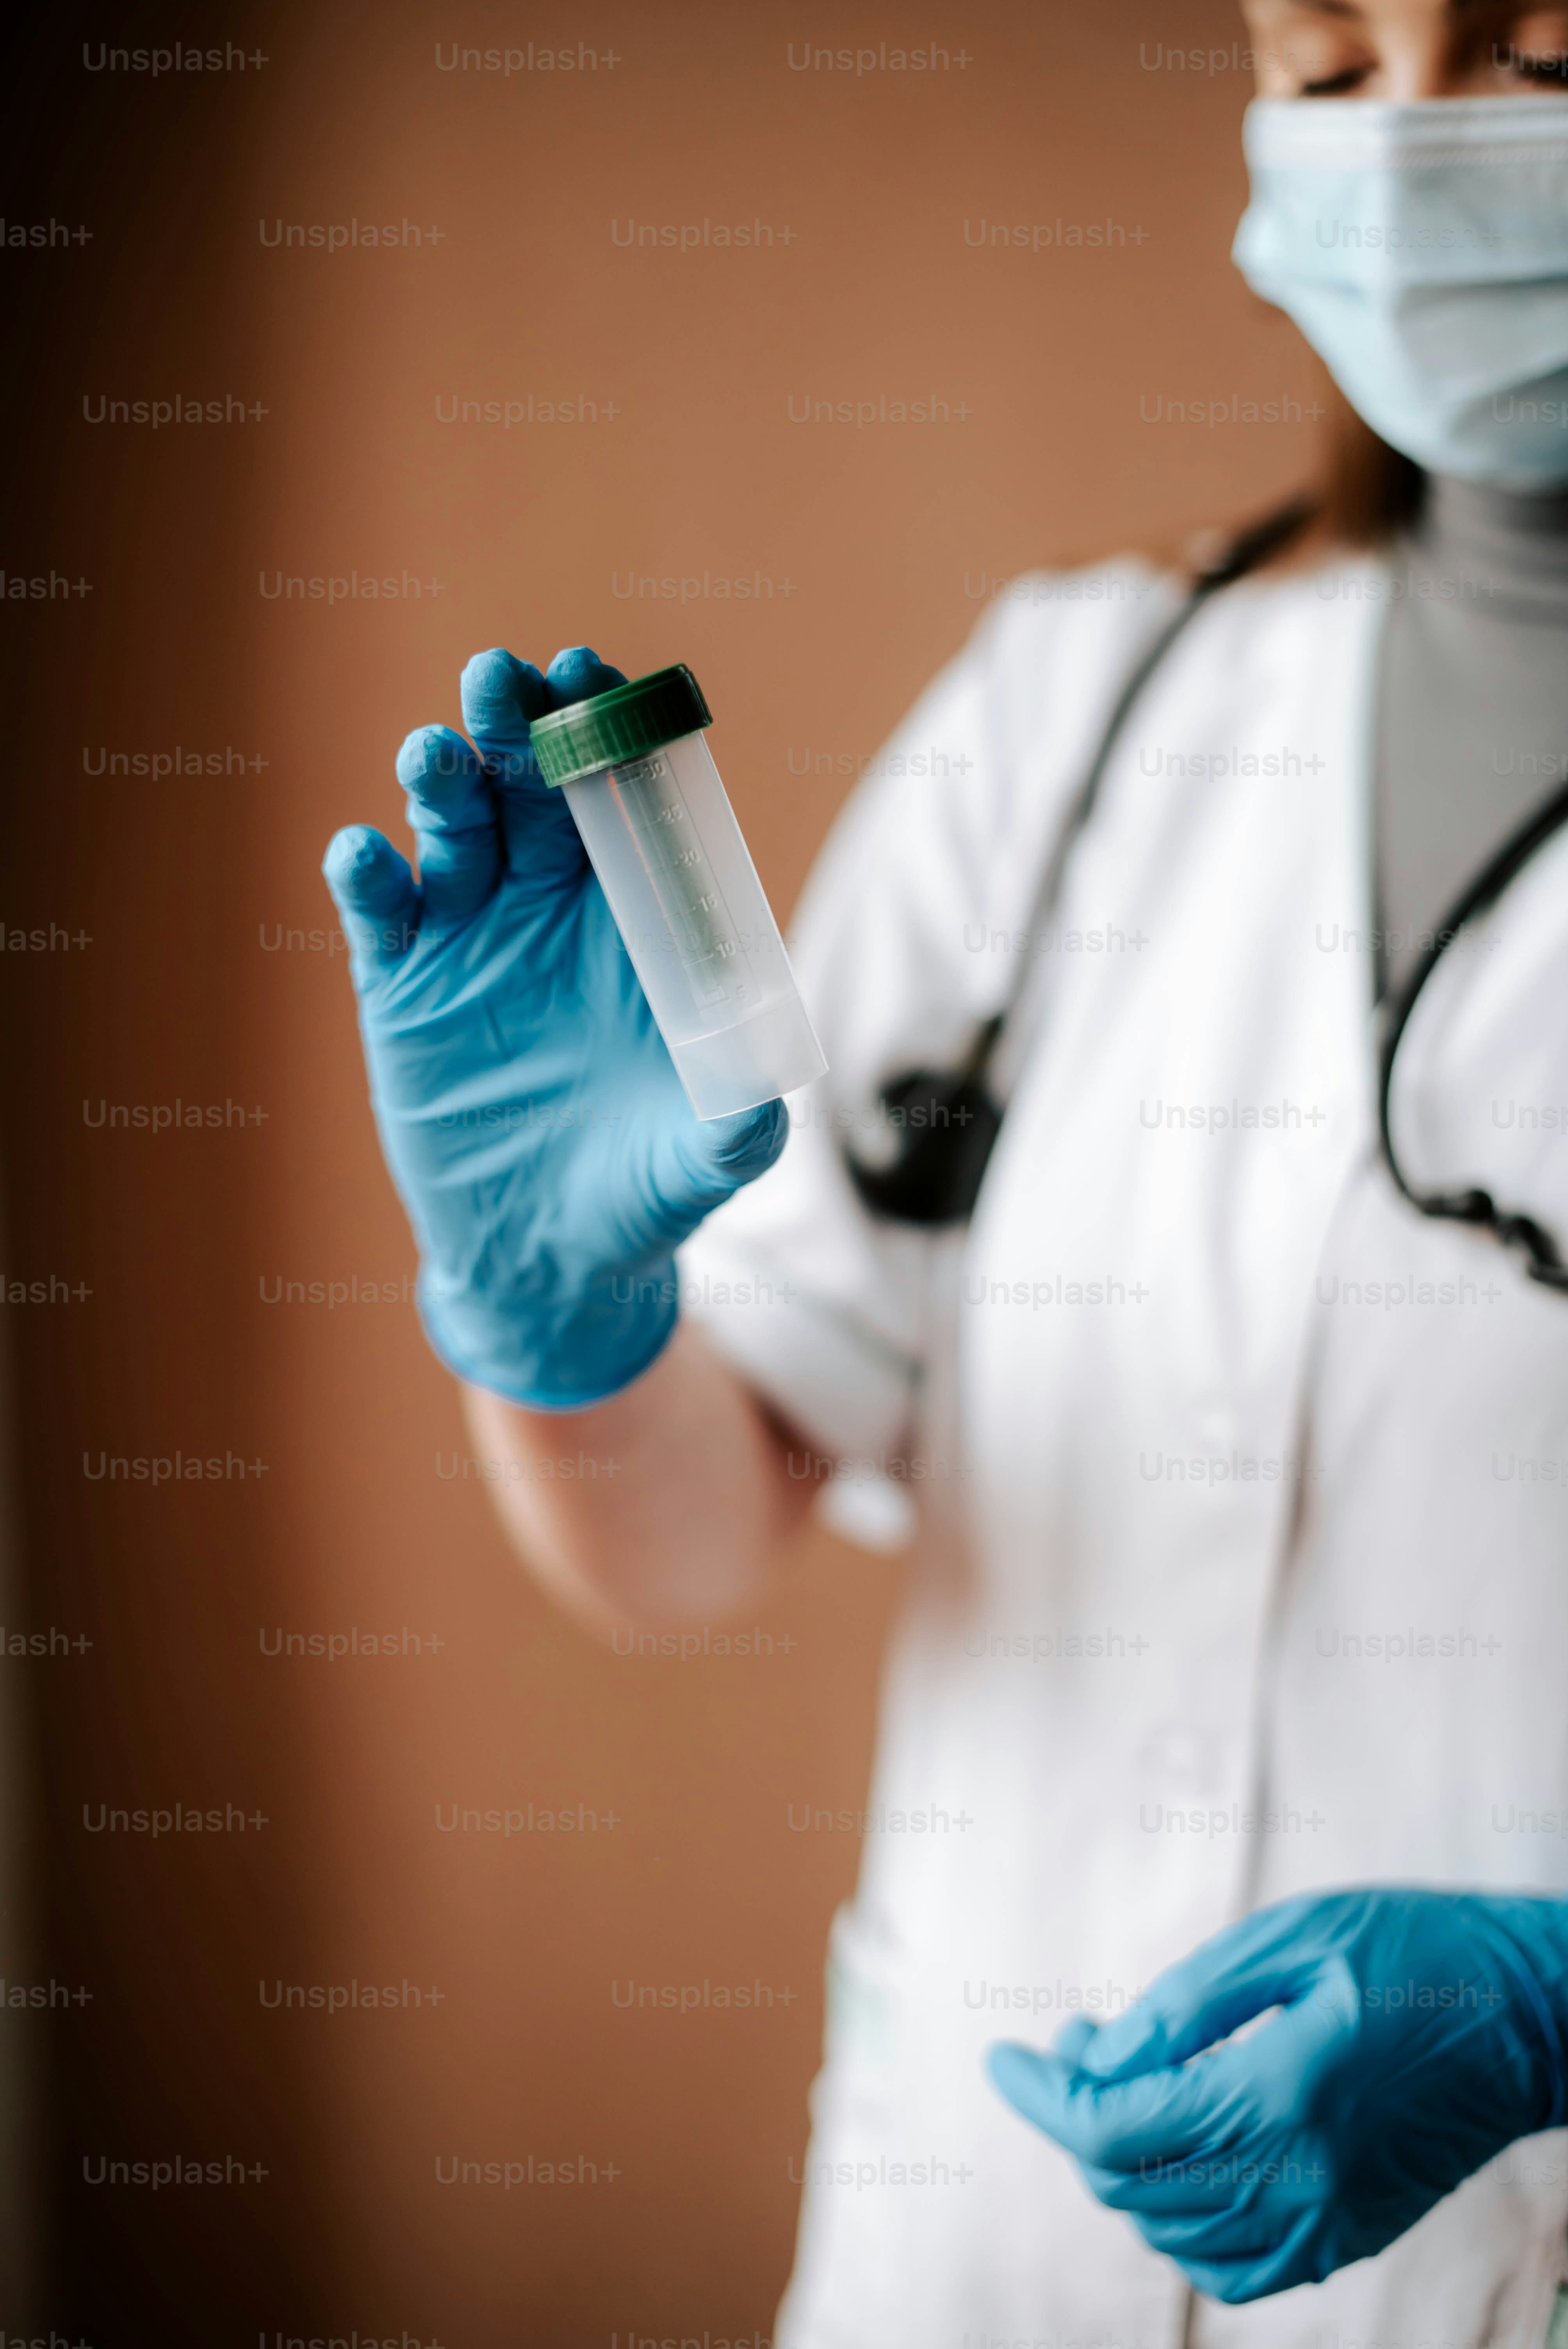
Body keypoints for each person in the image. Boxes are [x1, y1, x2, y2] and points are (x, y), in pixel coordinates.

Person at [322, 0, 1568, 2337]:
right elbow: (700, 1534)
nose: (1412, 150)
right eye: (1322, 65)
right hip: (972, 2260)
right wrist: (561, 1336)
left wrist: (1553, 2001)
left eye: (1534, 50)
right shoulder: (1082, 715)